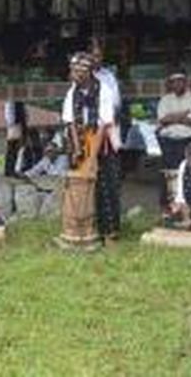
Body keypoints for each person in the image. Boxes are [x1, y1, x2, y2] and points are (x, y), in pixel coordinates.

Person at [62, 52, 120, 242]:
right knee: (79, 184)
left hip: (101, 140)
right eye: (73, 72)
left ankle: (110, 232)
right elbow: (70, 122)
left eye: (79, 72)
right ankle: (81, 228)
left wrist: (92, 157)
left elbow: (104, 124)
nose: (75, 76)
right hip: (78, 138)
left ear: (88, 73)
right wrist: (78, 148)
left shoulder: (104, 90)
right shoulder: (72, 92)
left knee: (104, 184)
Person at [156, 70, 191, 168]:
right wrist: (183, 114)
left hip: (189, 139)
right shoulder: (165, 100)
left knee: (189, 168)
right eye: (174, 82)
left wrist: (172, 117)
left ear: (185, 82)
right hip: (169, 140)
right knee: (172, 170)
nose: (177, 84)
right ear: (170, 84)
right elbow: (163, 120)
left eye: (180, 81)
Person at [4, 101, 28, 177]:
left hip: (19, 124)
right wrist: (12, 124)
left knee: (17, 148)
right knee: (12, 148)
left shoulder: (20, 101)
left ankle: (13, 169)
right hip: (15, 125)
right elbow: (9, 113)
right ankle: (10, 169)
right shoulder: (11, 101)